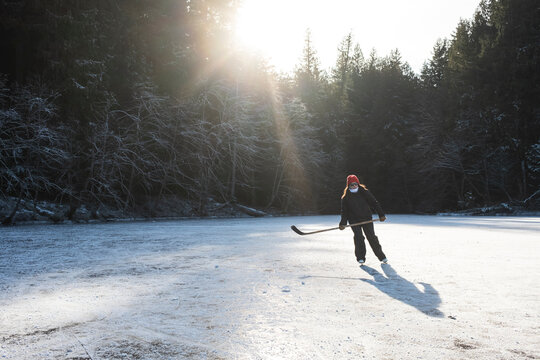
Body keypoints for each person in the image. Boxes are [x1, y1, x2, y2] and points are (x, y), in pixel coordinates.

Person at [339, 174, 388, 265]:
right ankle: (360, 257)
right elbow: (344, 211)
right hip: (354, 220)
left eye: (355, 184)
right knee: (358, 237)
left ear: (358, 183)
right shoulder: (345, 197)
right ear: (348, 186)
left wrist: (381, 214)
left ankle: (381, 256)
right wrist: (343, 223)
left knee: (371, 237)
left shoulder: (364, 192)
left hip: (366, 218)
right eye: (351, 184)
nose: (354, 186)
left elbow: (374, 203)